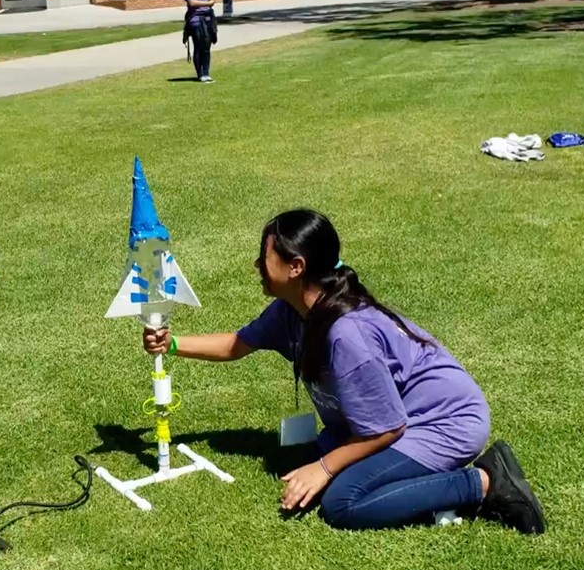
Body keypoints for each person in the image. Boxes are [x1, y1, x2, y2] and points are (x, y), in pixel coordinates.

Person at [142, 210, 545, 533]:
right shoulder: (292, 310)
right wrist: (172, 344)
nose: (256, 265)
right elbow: (237, 344)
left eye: (265, 257)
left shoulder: (346, 335)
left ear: (296, 267)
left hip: (443, 422)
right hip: (392, 422)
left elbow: (388, 428)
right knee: (330, 474)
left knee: (343, 503)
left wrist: (324, 467)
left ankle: (487, 482)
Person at [181, 0, 217, 83]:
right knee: (199, 45)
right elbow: (192, 2)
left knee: (207, 46)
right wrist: (207, 3)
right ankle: (200, 74)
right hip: (195, 18)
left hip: (208, 16)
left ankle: (206, 73)